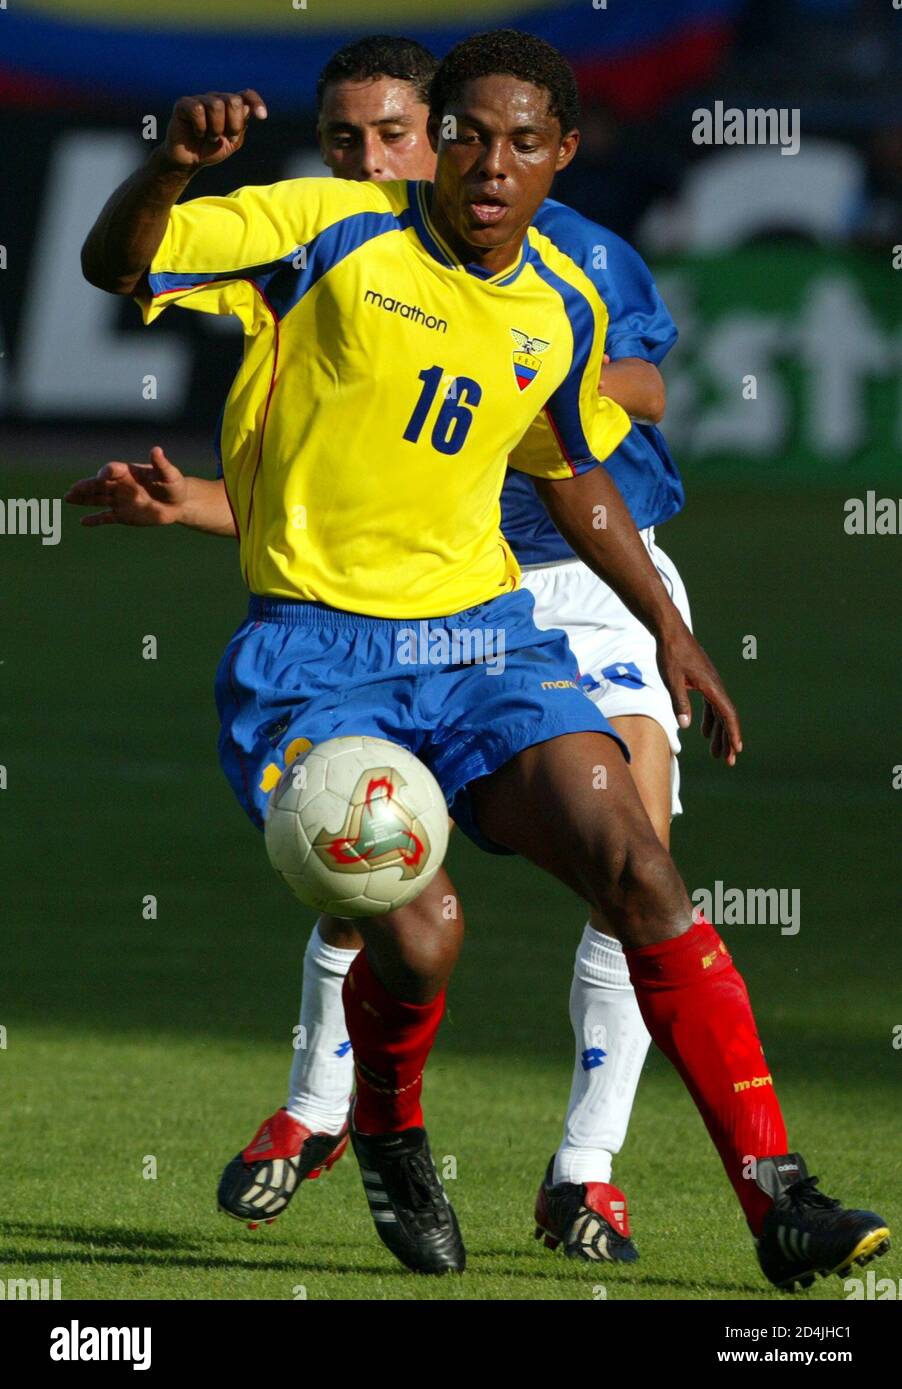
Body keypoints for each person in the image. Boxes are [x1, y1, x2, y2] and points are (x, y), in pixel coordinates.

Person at [78, 28, 889, 1289]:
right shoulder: (327, 229)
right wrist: (170, 173)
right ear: (433, 140)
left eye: (523, 141)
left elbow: (573, 476)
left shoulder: (559, 303)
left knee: (640, 868)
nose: (490, 163)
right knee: (425, 933)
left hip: (485, 643)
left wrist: (672, 630)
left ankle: (776, 1198)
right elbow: (112, 263)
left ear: (563, 154)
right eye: (465, 134)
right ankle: (389, 1129)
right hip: (314, 658)